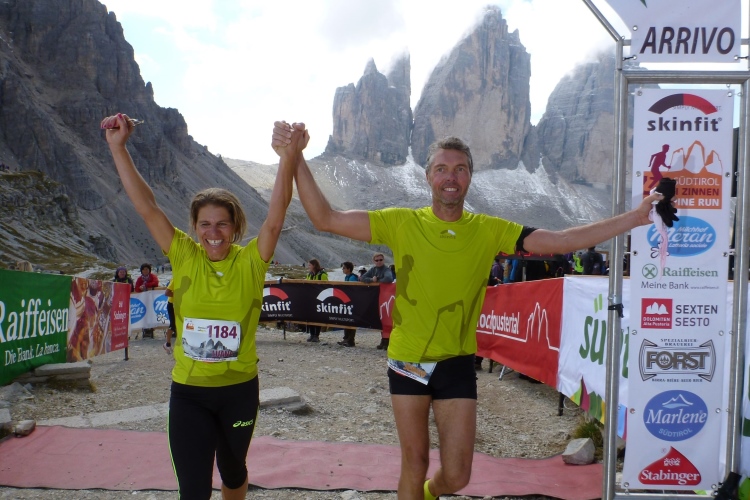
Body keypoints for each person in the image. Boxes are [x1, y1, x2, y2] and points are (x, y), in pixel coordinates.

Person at [274, 123, 663, 500]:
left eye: (460, 169)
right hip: (408, 360)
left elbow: (559, 240)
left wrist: (635, 217)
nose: (451, 177)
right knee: (414, 462)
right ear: (428, 176)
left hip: (456, 362)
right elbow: (325, 218)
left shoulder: (488, 229)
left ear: (470, 177)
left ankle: (431, 493)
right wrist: (297, 157)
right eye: (442, 168)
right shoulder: (401, 222)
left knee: (458, 475)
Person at [103, 112, 301, 500]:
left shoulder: (251, 261)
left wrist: (286, 158)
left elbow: (275, 219)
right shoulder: (184, 254)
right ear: (194, 228)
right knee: (193, 490)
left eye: (222, 224)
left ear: (236, 228)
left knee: (233, 470)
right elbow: (147, 208)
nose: (213, 233)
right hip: (189, 393)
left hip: (239, 392)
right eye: (205, 224)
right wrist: (118, 147)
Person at [360, 253, 394, 350]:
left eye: (381, 260)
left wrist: (377, 279)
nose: (379, 262)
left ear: (383, 260)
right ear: (374, 261)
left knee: (386, 319)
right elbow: (362, 278)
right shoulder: (373, 269)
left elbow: (389, 278)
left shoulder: (386, 269)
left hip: (386, 298)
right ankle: (383, 341)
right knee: (380, 319)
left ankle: (387, 342)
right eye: (377, 260)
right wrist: (371, 279)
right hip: (377, 297)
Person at [304, 258, 328, 342]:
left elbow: (325, 286)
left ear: (314, 265)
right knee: (310, 316)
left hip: (319, 298)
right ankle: (311, 334)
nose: (308, 267)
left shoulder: (322, 274)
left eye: (309, 265)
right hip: (311, 298)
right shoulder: (309, 274)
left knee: (318, 316)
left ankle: (316, 335)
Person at [135, 263, 159, 338]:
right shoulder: (140, 279)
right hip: (143, 299)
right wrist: (140, 288)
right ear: (141, 271)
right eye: (144, 269)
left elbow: (155, 283)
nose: (145, 271)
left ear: (149, 270)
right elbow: (136, 288)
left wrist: (145, 285)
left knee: (151, 313)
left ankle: (151, 328)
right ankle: (145, 329)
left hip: (152, 298)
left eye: (147, 269)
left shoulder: (153, 276)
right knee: (144, 313)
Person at [338, 261, 359, 347]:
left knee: (351, 320)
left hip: (352, 301)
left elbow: (353, 289)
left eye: (344, 268)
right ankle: (346, 338)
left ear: (348, 269)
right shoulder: (347, 277)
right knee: (346, 319)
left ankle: (350, 340)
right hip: (347, 301)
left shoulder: (352, 277)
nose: (342, 269)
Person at [164, 279, 176, 354]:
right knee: (172, 325)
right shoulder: (175, 279)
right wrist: (178, 295)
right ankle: (167, 344)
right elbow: (167, 292)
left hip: (181, 304)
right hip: (172, 304)